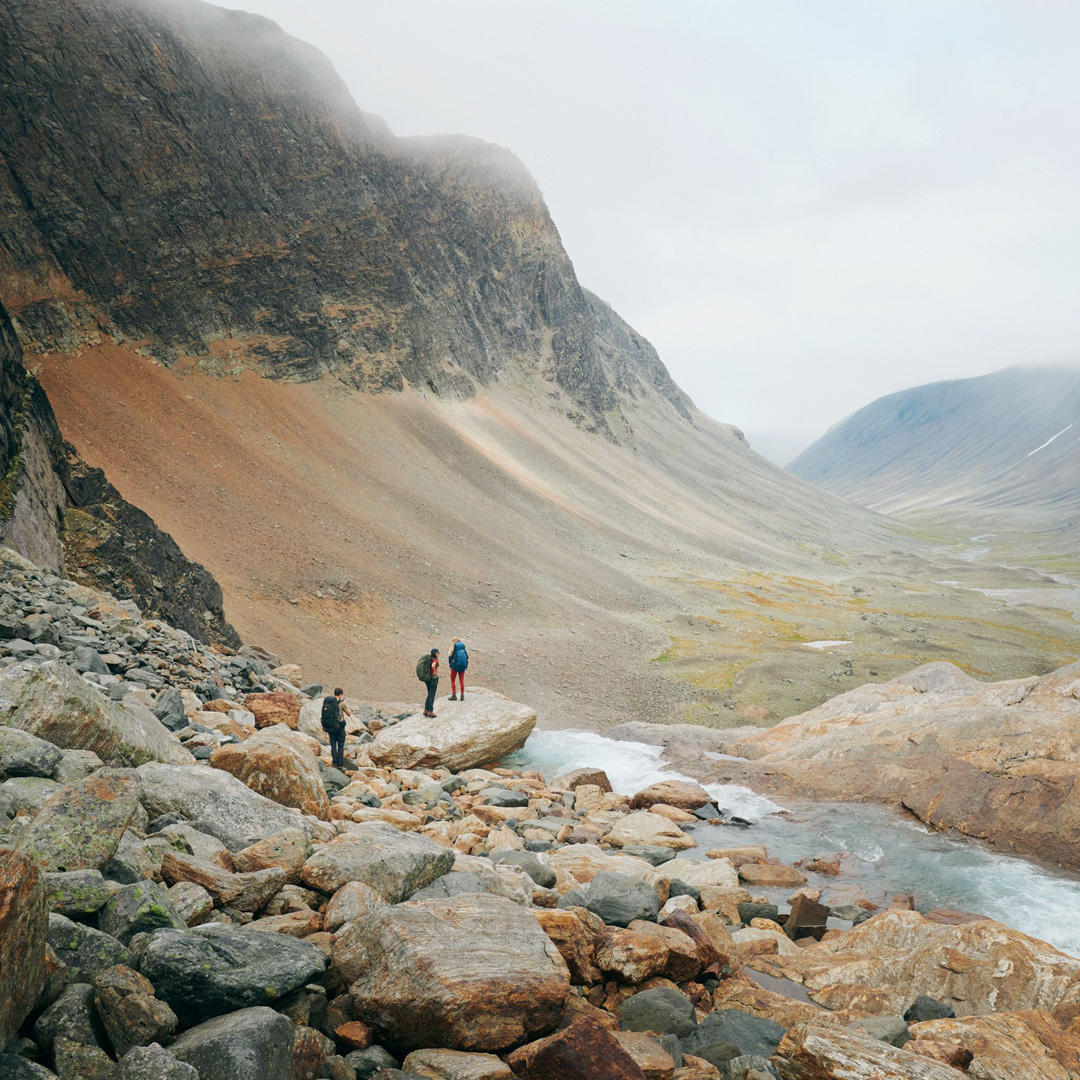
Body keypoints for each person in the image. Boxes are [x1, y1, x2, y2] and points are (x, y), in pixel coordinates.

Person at [321, 687, 351, 769]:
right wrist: (346, 704)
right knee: (340, 744)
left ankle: (334, 761)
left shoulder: (330, 703)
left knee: (333, 745)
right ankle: (340, 762)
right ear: (340, 694)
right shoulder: (342, 704)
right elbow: (349, 714)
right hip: (340, 726)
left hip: (331, 727)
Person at [422, 647, 439, 717]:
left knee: (429, 694)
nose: (438, 654)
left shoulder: (429, 659)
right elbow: (433, 666)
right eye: (437, 653)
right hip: (433, 679)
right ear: (435, 653)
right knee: (432, 695)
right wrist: (434, 671)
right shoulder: (435, 660)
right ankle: (430, 711)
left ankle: (426, 710)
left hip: (428, 679)